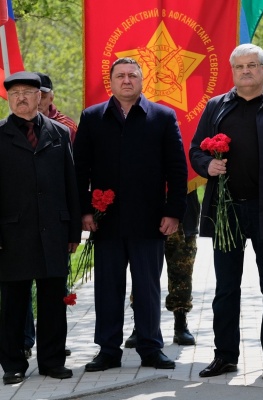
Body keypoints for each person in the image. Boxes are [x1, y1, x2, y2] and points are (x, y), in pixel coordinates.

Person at [190, 44, 263, 380]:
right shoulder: (217, 106)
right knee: (226, 288)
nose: (246, 71)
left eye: (252, 65)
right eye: (239, 67)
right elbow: (196, 149)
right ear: (233, 71)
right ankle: (225, 355)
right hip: (227, 211)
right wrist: (207, 165)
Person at [74, 57, 188, 372]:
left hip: (149, 220)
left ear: (141, 80)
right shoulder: (93, 117)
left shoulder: (162, 117)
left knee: (148, 287)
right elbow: (79, 169)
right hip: (106, 220)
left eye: (132, 75)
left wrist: (174, 212)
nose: (126, 80)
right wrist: (85, 210)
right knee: (107, 287)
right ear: (111, 82)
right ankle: (108, 350)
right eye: (120, 76)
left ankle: (151, 349)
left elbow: (177, 169)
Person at [0, 71, 81, 384]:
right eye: (15, 93)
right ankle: (12, 364)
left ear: (40, 97)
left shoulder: (59, 132)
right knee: (13, 303)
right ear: (9, 98)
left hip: (53, 231)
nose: (21, 98)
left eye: (27, 92)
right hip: (12, 234)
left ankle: (52, 361)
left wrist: (73, 231)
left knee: (53, 301)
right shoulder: (1, 134)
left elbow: (71, 184)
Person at [22, 72, 78, 361]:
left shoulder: (64, 129)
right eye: (34, 93)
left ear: (50, 96)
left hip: (54, 225)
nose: (38, 99)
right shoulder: (9, 130)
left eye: (42, 94)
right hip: (20, 226)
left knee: (54, 291)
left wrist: (74, 227)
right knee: (19, 291)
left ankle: (52, 349)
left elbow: (73, 179)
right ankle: (22, 344)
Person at [124, 189, 200, 348]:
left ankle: (181, 323)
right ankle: (140, 325)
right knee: (143, 271)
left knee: (182, 272)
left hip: (183, 212)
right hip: (147, 213)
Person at [36, 72, 78, 142]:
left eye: (42, 97)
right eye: (34, 97)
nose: (38, 102)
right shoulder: (18, 123)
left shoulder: (67, 126)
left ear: (51, 99)